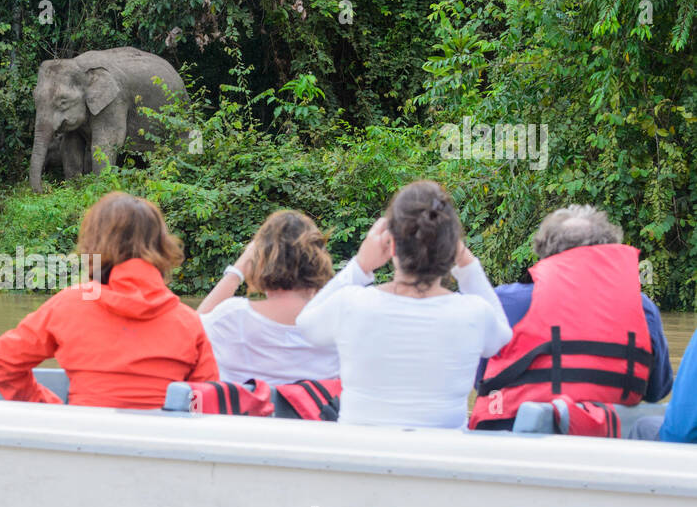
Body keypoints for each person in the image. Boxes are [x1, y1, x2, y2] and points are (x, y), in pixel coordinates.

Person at [295, 180, 512, 428]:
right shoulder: (474, 313)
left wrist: (360, 265)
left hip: (359, 461)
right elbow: (502, 338)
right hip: (442, 462)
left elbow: (304, 324)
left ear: (393, 245)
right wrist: (468, 265)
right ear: (451, 249)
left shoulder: (351, 303)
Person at [0, 191, 218, 408]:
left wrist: (51, 409)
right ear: (161, 246)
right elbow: (207, 400)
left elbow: (4, 361)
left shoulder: (68, 305)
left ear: (93, 246)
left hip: (84, 441)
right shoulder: (188, 322)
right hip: (158, 445)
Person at [470, 205, 672, 432]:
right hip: (607, 442)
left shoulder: (505, 301)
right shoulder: (643, 308)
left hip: (518, 439)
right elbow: (658, 390)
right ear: (607, 248)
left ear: (544, 251)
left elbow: (481, 382)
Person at [196, 210, 339, 386]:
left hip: (245, 412)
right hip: (314, 412)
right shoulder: (338, 321)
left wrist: (237, 271)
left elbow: (191, 331)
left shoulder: (231, 317)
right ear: (318, 259)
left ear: (258, 259)